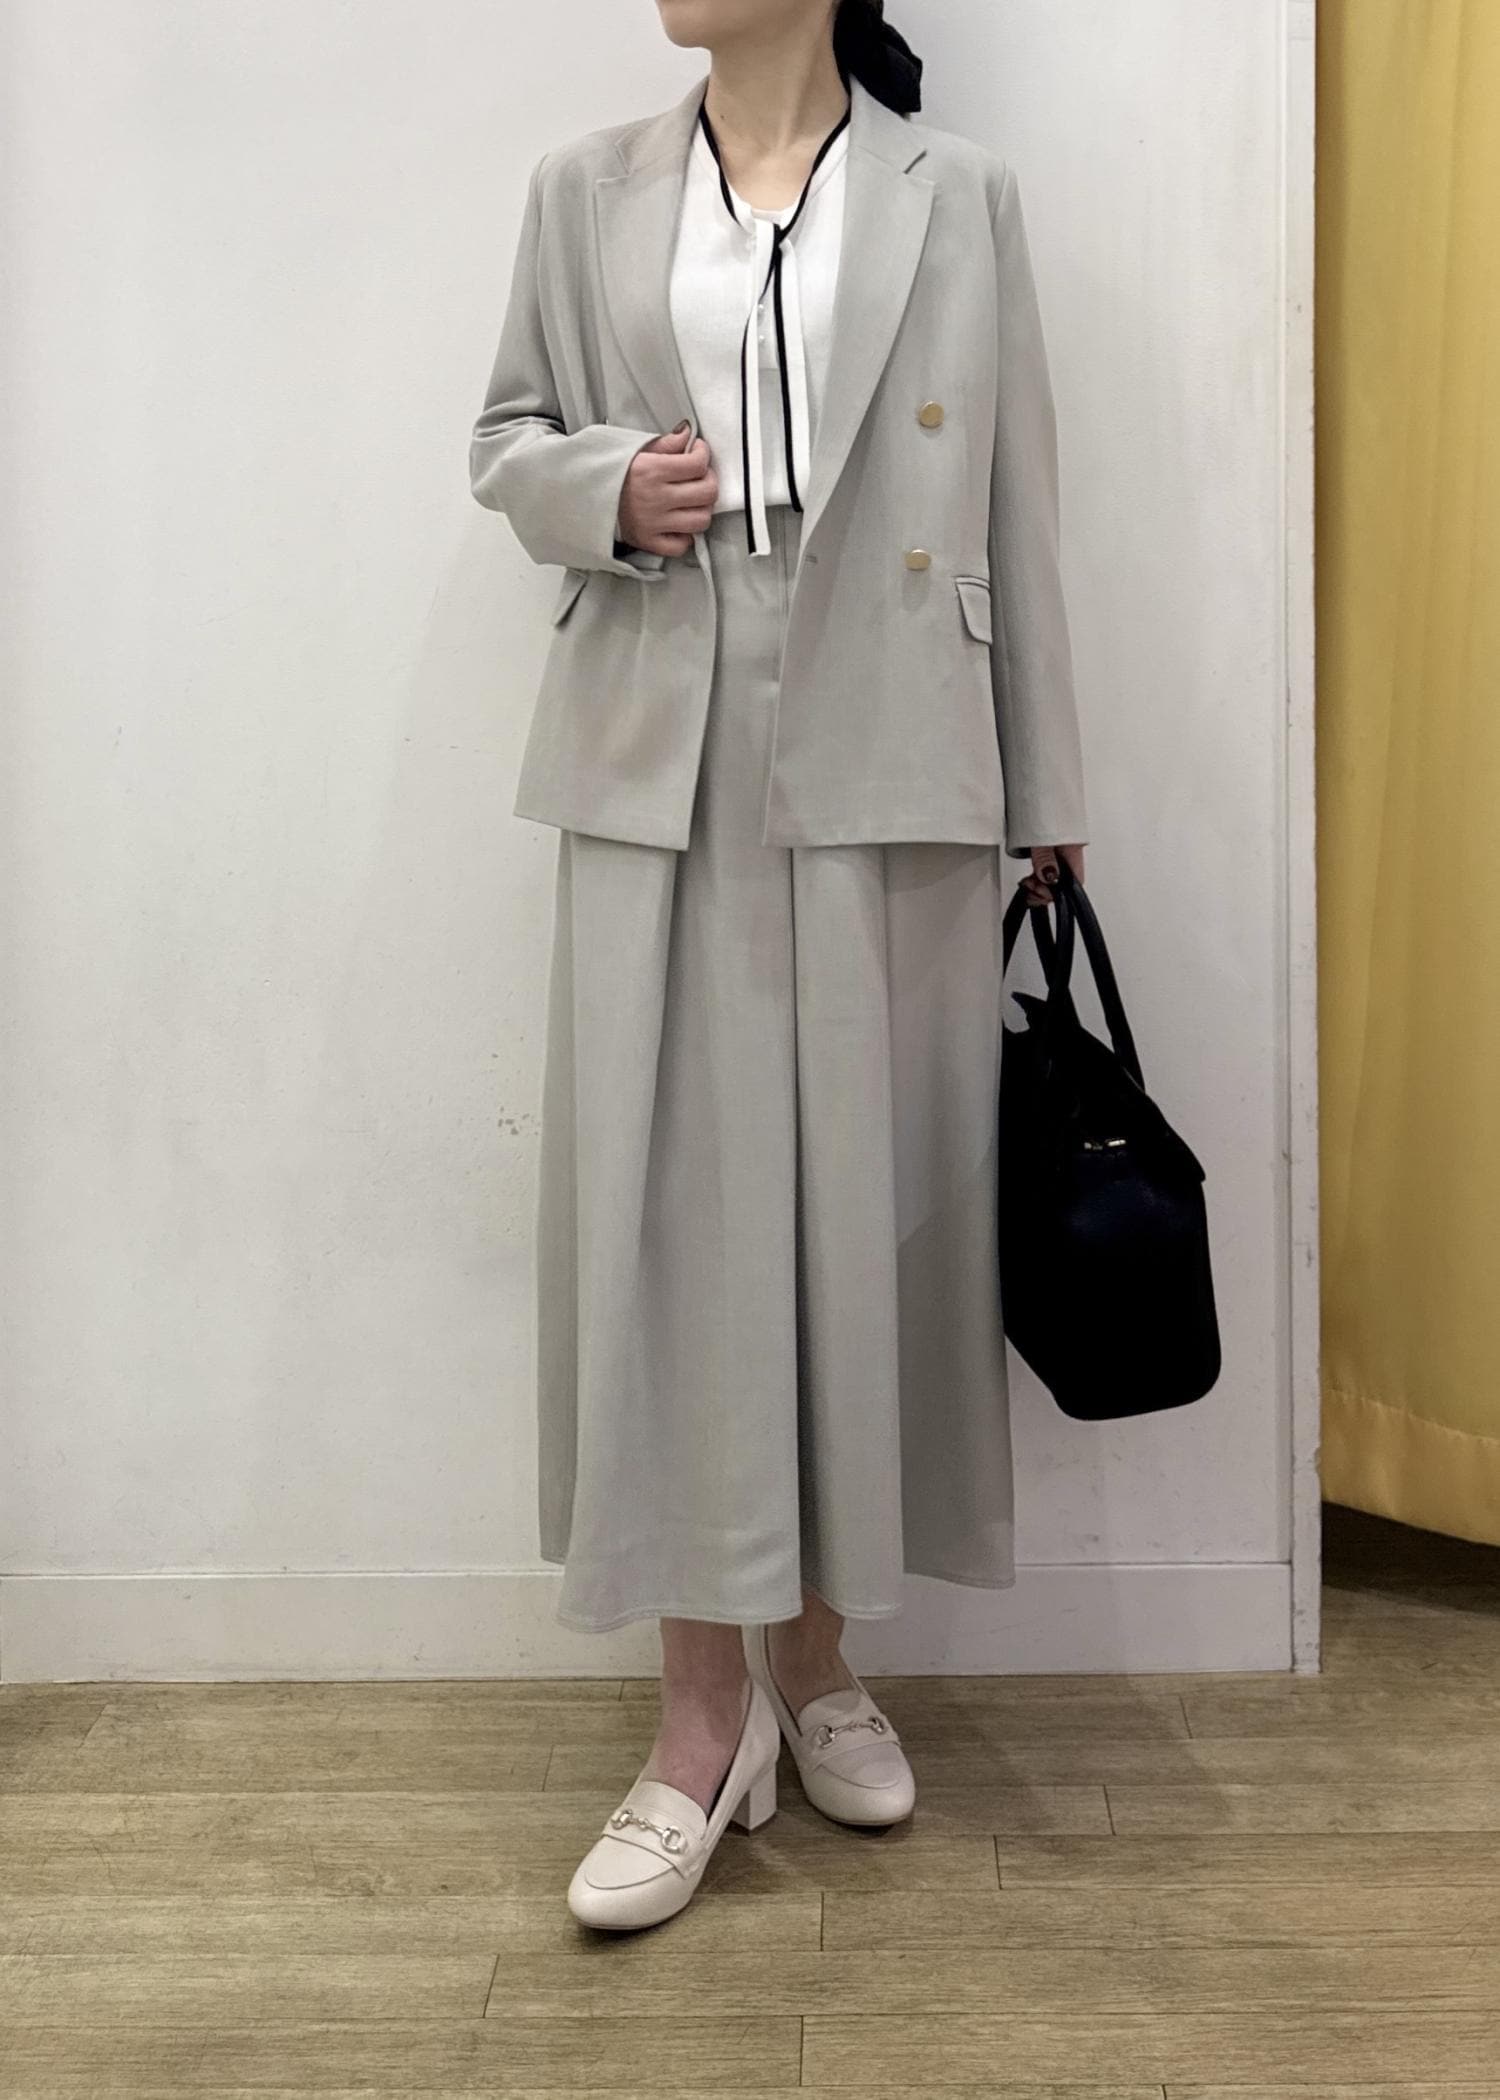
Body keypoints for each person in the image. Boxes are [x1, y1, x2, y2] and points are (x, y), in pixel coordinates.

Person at [468, 0, 1089, 1931]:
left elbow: (1018, 499)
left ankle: (814, 1665)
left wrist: (1050, 789)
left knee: (857, 1214)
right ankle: (696, 1715)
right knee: (671, 1223)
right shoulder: (583, 189)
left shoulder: (958, 192)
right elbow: (501, 440)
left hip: (894, 731)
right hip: (658, 734)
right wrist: (603, 493)